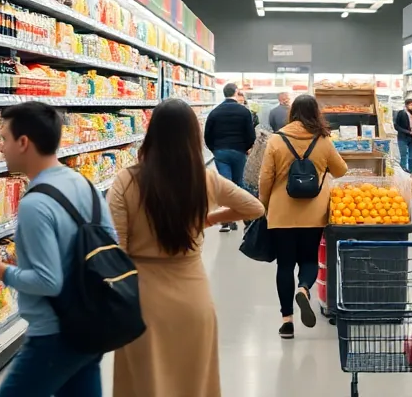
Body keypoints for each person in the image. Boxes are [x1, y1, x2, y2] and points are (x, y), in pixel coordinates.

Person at [108, 99, 264, 397]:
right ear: (194, 136)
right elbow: (254, 206)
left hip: (143, 299)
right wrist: (207, 219)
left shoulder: (126, 181)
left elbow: (118, 249)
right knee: (193, 386)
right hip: (192, 298)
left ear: (151, 133)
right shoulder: (204, 179)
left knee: (144, 386)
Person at [0, 101, 113, 397]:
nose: (0, 148)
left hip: (54, 336)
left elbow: (49, 281)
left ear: (23, 142)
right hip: (93, 323)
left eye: (4, 139)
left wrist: (0, 271)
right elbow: (108, 245)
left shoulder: (35, 203)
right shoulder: (85, 185)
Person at [259, 94, 348, 338]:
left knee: (285, 265)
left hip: (281, 212)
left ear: (292, 112)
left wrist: (264, 205)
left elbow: (265, 177)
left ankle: (287, 320)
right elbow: (341, 170)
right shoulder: (323, 140)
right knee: (308, 260)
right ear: (316, 113)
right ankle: (304, 289)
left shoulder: (277, 140)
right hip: (314, 212)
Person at [204, 83, 256, 231]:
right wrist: (245, 148)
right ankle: (246, 217)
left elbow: (207, 134)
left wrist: (215, 150)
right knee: (239, 183)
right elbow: (250, 134)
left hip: (221, 152)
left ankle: (226, 221)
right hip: (239, 151)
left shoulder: (215, 112)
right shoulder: (244, 112)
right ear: (236, 92)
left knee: (225, 185)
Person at [392, 98, 412, 173]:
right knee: (403, 155)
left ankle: (411, 171)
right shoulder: (401, 113)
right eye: (411, 105)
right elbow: (396, 126)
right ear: (406, 105)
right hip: (403, 137)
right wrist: (408, 132)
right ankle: (403, 172)